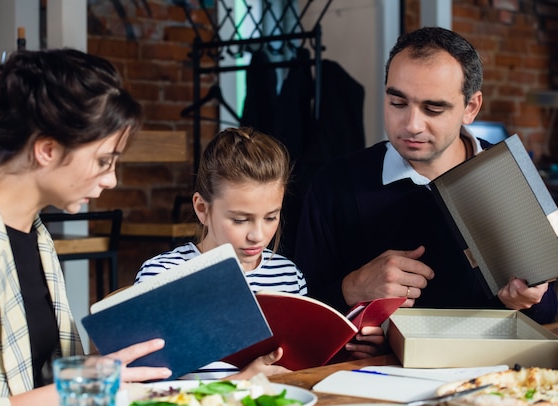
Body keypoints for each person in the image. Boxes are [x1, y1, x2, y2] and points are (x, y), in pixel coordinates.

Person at [0, 49, 172, 406]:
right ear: (47, 149)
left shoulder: (36, 235)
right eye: (104, 160)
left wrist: (91, 371)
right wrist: (69, 392)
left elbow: (33, 376)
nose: (111, 179)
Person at [294, 26, 557, 329]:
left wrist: (525, 301)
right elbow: (300, 315)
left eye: (433, 109)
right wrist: (352, 288)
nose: (412, 125)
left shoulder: (512, 179)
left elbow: (548, 312)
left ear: (470, 107)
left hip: (489, 369)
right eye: (397, 103)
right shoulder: (335, 184)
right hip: (373, 372)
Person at [135, 127, 310, 379]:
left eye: (271, 217)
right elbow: (146, 390)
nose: (258, 235)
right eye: (240, 220)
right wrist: (242, 381)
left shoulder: (289, 277)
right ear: (202, 208)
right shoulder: (162, 276)